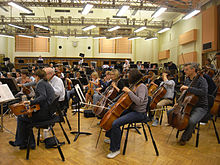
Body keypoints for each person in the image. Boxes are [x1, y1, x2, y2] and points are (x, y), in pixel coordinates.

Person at [104, 69, 148, 158]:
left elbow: (139, 102)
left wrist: (129, 92)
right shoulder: (134, 85)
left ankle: (115, 149)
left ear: (133, 77)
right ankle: (113, 138)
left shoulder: (142, 87)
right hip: (132, 109)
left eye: (129, 76)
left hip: (139, 113)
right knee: (113, 116)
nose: (127, 78)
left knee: (116, 123)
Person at [9, 69, 55, 149]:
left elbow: (43, 97)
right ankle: (27, 143)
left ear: (36, 76)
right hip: (48, 112)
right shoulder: (45, 82)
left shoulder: (41, 83)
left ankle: (23, 142)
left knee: (22, 117)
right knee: (25, 117)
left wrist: (31, 102)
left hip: (44, 114)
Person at [167, 63, 208, 145]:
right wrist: (178, 103)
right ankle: (184, 127)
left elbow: (203, 92)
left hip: (200, 106)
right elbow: (185, 94)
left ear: (193, 70)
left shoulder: (202, 80)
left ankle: (184, 138)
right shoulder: (187, 80)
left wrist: (188, 88)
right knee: (170, 112)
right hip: (187, 105)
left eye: (187, 69)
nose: (184, 71)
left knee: (192, 121)